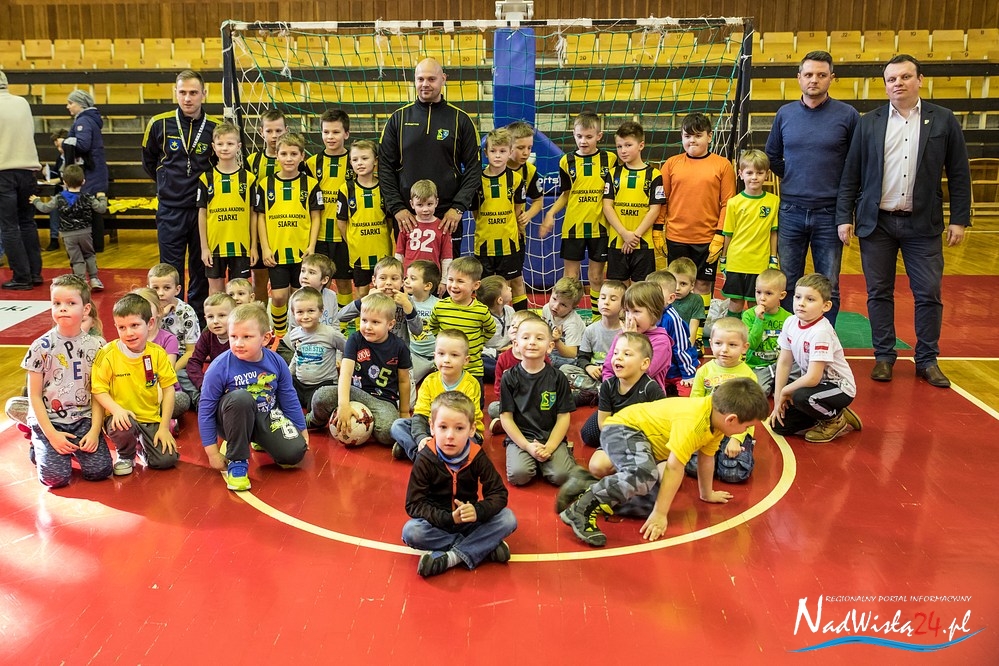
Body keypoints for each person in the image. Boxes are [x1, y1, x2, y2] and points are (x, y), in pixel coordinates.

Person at [836, 54, 972, 389]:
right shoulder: (869, 122)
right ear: (885, 86)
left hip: (922, 224)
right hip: (876, 223)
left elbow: (959, 172)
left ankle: (927, 360)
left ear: (920, 80)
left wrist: (959, 219)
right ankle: (884, 356)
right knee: (878, 292)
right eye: (892, 79)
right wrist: (844, 217)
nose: (898, 83)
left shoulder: (943, 120)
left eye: (905, 77)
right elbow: (851, 174)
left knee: (928, 292)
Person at [559, 378, 769, 547]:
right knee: (644, 476)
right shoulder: (693, 422)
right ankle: (580, 509)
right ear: (731, 419)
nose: (745, 431)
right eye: (747, 427)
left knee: (648, 504)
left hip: (645, 444)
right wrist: (661, 515)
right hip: (623, 429)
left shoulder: (716, 420)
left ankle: (585, 485)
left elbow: (707, 457)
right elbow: (674, 467)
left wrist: (706, 494)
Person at [765, 51, 859, 324]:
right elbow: (772, 156)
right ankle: (789, 338)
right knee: (788, 281)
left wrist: (845, 209)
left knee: (828, 283)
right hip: (791, 211)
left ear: (832, 78)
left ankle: (824, 339)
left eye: (821, 74)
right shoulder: (785, 114)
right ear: (799, 78)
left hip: (830, 213)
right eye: (808, 74)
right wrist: (795, 176)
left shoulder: (848, 115)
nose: (814, 80)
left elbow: (856, 163)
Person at [402, 391, 516, 578]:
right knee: (411, 532)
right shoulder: (425, 459)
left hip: (470, 521)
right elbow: (414, 505)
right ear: (432, 427)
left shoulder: (476, 456)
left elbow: (499, 493)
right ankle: (483, 546)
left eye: (459, 428)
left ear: (472, 430)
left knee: (508, 518)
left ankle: (451, 557)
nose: (450, 436)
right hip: (438, 524)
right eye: (443, 427)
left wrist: (477, 511)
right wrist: (449, 518)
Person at [197, 304, 309, 491]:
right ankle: (238, 462)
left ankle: (259, 439)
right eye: (233, 336)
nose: (238, 343)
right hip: (233, 419)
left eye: (246, 337)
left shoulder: (276, 361)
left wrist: (302, 430)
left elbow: (289, 397)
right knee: (241, 398)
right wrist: (212, 453)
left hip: (265, 415)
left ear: (265, 338)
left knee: (295, 453)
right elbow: (206, 410)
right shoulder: (219, 366)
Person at [380, 58, 481, 259]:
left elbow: (473, 168)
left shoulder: (460, 119)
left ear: (443, 79)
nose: (425, 84)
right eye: (420, 79)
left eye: (431, 79)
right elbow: (384, 168)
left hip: (447, 218)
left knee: (447, 274)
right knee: (409, 274)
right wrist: (398, 208)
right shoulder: (398, 119)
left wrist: (457, 208)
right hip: (408, 217)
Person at [141, 70, 219, 321]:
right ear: (175, 93)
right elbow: (149, 161)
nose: (187, 98)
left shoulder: (215, 128)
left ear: (204, 94)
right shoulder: (158, 123)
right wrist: (167, 183)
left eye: (193, 93)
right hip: (170, 209)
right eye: (183, 92)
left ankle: (195, 318)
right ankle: (170, 318)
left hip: (202, 210)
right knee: (170, 269)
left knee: (200, 266)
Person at [20, 275, 110, 488]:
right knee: (56, 479)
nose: (62, 308)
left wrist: (94, 431)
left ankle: (66, 451)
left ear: (86, 309)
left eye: (70, 303)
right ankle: (38, 442)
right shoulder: (40, 346)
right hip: (50, 421)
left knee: (100, 471)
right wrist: (51, 435)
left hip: (83, 419)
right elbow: (34, 395)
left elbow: (98, 392)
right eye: (56, 303)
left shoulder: (97, 346)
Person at [91, 293, 179, 476]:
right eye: (122, 327)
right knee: (123, 425)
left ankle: (141, 448)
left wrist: (164, 427)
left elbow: (169, 390)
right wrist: (116, 410)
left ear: (150, 323)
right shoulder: (107, 354)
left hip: (149, 417)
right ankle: (125, 455)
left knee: (167, 460)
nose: (129, 333)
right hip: (120, 418)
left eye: (135, 325)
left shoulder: (158, 353)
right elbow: (98, 390)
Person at [540, 111, 618, 318]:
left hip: (600, 228)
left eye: (589, 136)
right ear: (573, 135)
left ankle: (597, 318)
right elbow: (566, 194)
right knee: (570, 278)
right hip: (573, 227)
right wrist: (550, 213)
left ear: (599, 136)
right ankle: (567, 319)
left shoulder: (610, 159)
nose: (583, 141)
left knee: (596, 277)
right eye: (579, 136)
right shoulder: (566, 161)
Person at [769, 273, 863, 443]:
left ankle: (834, 419)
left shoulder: (821, 332)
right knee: (780, 425)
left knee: (801, 396)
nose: (801, 303)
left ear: (826, 306)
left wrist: (785, 391)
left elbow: (813, 377)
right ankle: (833, 411)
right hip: (814, 388)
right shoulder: (790, 322)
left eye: (810, 299)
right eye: (798, 297)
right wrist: (777, 401)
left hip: (838, 387)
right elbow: (784, 362)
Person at [654, 112, 737, 301]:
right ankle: (677, 319)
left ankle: (699, 321)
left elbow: (728, 204)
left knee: (703, 284)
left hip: (707, 238)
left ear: (709, 136)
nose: (692, 140)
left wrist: (720, 235)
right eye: (687, 136)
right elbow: (662, 200)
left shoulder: (723, 166)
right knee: (677, 284)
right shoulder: (671, 164)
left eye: (698, 136)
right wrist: (658, 228)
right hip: (676, 237)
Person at [316, 292, 412, 446]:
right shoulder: (355, 339)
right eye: (364, 320)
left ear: (390, 324)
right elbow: (346, 373)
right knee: (321, 396)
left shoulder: (400, 347)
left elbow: (404, 381)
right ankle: (315, 421)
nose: (368, 326)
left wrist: (404, 412)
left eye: (375, 322)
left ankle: (367, 426)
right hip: (354, 392)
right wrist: (344, 405)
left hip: (382, 400)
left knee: (389, 431)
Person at [254, 132, 323, 337]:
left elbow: (316, 217)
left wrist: (311, 246)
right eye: (284, 154)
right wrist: (265, 248)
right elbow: (261, 217)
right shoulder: (265, 184)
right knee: (278, 297)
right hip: (277, 251)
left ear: (302, 156)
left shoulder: (310, 184)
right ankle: (281, 335)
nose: (289, 158)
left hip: (302, 251)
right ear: (276, 156)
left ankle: (298, 334)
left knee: (299, 296)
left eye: (294, 154)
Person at [500, 314, 576, 486]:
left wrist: (550, 447)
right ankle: (530, 457)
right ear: (516, 344)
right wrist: (527, 446)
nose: (532, 342)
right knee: (519, 475)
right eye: (526, 337)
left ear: (550, 346)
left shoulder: (558, 378)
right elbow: (506, 418)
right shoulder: (509, 378)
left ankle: (555, 456)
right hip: (521, 438)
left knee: (562, 477)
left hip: (550, 436)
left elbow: (563, 417)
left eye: (539, 338)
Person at [390, 329, 484, 462]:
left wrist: (445, 434)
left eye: (454, 355)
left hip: (460, 431)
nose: (446, 360)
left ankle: (424, 455)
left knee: (470, 446)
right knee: (398, 426)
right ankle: (422, 455)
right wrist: (421, 438)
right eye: (441, 354)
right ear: (434, 356)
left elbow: (469, 420)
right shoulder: (429, 381)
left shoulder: (471, 384)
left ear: (466, 360)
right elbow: (420, 415)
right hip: (433, 429)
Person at [684, 317, 758, 483]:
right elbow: (694, 404)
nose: (724, 350)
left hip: (735, 430)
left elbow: (749, 415)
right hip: (707, 428)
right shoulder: (703, 371)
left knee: (733, 474)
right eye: (718, 343)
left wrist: (736, 439)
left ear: (744, 347)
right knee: (694, 468)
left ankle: (740, 449)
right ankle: (716, 456)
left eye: (732, 345)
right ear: (711, 344)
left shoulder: (748, 376)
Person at [197, 121, 257, 296]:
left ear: (238, 146)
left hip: (241, 246)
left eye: (230, 143)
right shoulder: (206, 178)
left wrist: (253, 246)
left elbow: (253, 214)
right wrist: (204, 248)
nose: (225, 148)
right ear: (213, 147)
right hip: (214, 246)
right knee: (216, 292)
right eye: (220, 144)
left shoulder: (249, 179)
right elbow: (202, 214)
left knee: (239, 292)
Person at [579, 331, 664, 454]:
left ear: (644, 363)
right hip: (616, 431)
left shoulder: (650, 388)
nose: (618, 357)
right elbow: (603, 423)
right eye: (615, 353)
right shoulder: (608, 386)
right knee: (588, 436)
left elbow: (662, 423)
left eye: (627, 354)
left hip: (642, 435)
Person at [602, 121, 665, 285]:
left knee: (641, 292)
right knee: (618, 291)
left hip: (643, 244)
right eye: (619, 146)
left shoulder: (654, 175)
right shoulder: (613, 174)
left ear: (641, 145)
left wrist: (635, 236)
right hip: (617, 242)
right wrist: (624, 234)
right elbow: (607, 207)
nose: (623, 150)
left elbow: (655, 210)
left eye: (628, 145)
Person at [719, 149, 780, 318]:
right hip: (736, 260)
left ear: (767, 175)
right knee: (736, 302)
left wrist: (773, 258)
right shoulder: (734, 203)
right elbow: (728, 233)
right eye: (749, 173)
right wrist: (724, 259)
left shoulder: (774, 201)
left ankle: (754, 332)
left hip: (760, 262)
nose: (754, 177)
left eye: (759, 173)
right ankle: (732, 331)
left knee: (756, 302)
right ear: (740, 174)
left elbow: (773, 232)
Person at [305, 109, 354, 318]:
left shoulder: (354, 160)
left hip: (344, 234)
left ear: (346, 134)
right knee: (316, 282)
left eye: (336, 132)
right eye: (326, 132)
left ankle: (345, 324)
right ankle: (317, 321)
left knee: (343, 281)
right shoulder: (311, 163)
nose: (330, 137)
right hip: (319, 234)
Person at [427, 256, 496, 402]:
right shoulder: (440, 306)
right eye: (450, 280)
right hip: (445, 368)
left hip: (472, 368)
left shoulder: (481, 311)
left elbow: (490, 330)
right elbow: (433, 326)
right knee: (442, 403)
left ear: (475, 285)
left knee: (473, 405)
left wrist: (477, 342)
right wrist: (444, 341)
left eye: (460, 281)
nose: (454, 285)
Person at [473, 128, 527, 308]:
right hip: (484, 244)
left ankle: (519, 319)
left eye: (502, 151)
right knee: (485, 287)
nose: (497, 155)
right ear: (486, 152)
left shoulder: (516, 179)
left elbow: (517, 210)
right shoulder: (477, 181)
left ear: (510, 152)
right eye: (493, 151)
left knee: (513, 284)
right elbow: (475, 212)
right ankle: (487, 320)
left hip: (509, 243)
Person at [29, 164, 107, 290]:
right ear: (83, 181)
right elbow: (101, 209)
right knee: (89, 255)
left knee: (76, 259)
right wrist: (102, 197)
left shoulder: (59, 198)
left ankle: (81, 282)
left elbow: (45, 208)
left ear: (64, 182)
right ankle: (94, 279)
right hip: (85, 232)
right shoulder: (87, 197)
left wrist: (36, 200)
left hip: (68, 234)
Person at [0, 69, 43, 290]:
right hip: (28, 171)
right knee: (27, 222)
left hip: (3, 171)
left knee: (9, 226)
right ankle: (35, 273)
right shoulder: (22, 103)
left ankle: (21, 277)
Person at [337, 139, 394, 299]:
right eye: (355, 159)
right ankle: (361, 317)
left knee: (384, 291)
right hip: (358, 253)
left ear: (375, 161)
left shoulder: (384, 187)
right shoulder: (346, 189)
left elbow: (389, 221)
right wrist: (352, 241)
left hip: (381, 250)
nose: (360, 163)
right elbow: (341, 222)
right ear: (350, 163)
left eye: (364, 158)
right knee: (362, 293)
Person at [561, 279, 625, 404]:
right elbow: (582, 358)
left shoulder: (625, 331)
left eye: (613, 299)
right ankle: (600, 391)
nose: (606, 302)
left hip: (615, 374)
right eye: (603, 298)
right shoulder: (590, 330)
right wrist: (588, 367)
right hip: (594, 376)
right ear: (598, 301)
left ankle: (597, 393)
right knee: (564, 370)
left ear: (623, 305)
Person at [601, 281, 673, 391]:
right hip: (618, 395)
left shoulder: (661, 341)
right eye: (627, 311)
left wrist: (631, 339)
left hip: (646, 397)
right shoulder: (622, 336)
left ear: (654, 312)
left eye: (636, 311)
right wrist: (609, 390)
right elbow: (608, 368)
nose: (630, 317)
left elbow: (642, 372)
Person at [63, 89, 110, 252]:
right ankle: (96, 245)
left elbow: (83, 144)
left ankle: (92, 245)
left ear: (80, 104)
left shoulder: (83, 121)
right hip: (95, 170)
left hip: (90, 172)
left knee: (89, 209)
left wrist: (67, 142)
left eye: (71, 103)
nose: (68, 106)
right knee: (93, 209)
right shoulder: (91, 119)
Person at [148, 262, 201, 401]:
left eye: (167, 288)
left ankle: (199, 401)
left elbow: (191, 351)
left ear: (177, 290)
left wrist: (170, 371)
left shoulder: (186, 313)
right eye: (155, 288)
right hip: (152, 359)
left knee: (184, 377)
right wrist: (160, 316)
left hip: (179, 361)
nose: (160, 293)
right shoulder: (145, 310)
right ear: (148, 289)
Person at [287, 287, 347, 410]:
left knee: (319, 403)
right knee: (281, 389)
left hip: (323, 385)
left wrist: (339, 360)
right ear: (293, 313)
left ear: (321, 311)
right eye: (300, 312)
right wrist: (288, 373)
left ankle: (313, 417)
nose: (305, 316)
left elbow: (347, 348)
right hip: (300, 383)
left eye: (311, 311)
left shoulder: (330, 333)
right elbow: (297, 355)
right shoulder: (294, 335)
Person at [505, 121, 543, 311]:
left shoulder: (529, 171)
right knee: (498, 282)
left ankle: (521, 318)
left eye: (529, 148)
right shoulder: (494, 169)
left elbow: (538, 201)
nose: (526, 152)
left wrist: (528, 215)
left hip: (517, 235)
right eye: (521, 148)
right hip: (492, 234)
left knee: (517, 279)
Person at [646, 270, 699, 396]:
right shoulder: (646, 314)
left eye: (657, 294)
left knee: (687, 396)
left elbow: (681, 348)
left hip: (678, 370)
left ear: (670, 298)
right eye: (648, 294)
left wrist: (688, 374)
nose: (651, 298)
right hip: (660, 369)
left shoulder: (672, 318)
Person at [742, 269, 792, 396]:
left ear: (781, 295)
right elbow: (751, 344)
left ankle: (778, 384)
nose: (762, 298)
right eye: (758, 292)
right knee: (758, 392)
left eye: (768, 293)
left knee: (797, 389)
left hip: (781, 366)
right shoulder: (748, 315)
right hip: (758, 366)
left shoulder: (788, 318)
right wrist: (759, 319)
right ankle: (774, 384)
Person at [185, 292, 236, 408]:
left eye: (221, 315)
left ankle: (210, 402)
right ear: (205, 318)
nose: (215, 321)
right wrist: (203, 385)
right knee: (181, 374)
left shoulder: (239, 336)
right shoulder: (207, 336)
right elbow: (194, 362)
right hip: (212, 381)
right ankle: (200, 401)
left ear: (234, 316)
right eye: (210, 317)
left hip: (233, 382)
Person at [394, 179, 452, 279]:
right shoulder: (407, 224)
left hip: (431, 277)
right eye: (420, 205)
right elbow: (399, 254)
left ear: (436, 202)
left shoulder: (443, 227)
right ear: (412, 204)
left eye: (429, 204)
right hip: (409, 277)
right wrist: (398, 276)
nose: (425, 209)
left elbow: (446, 258)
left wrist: (444, 281)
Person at [404, 260, 441, 384]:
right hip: (415, 355)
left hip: (438, 356)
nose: (407, 281)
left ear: (427, 286)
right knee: (406, 382)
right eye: (406, 277)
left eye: (413, 278)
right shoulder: (404, 302)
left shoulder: (438, 305)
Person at [477, 275, 515, 385]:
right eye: (507, 288)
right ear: (500, 300)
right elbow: (477, 347)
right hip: (491, 356)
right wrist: (496, 353)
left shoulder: (510, 311)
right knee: (480, 362)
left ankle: (510, 372)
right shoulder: (481, 318)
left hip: (509, 353)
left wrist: (513, 347)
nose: (510, 288)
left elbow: (517, 334)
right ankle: (508, 374)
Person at [542, 276, 586, 368]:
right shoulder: (547, 308)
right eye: (554, 299)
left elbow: (572, 354)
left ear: (573, 307)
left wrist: (557, 341)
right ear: (552, 292)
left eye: (563, 305)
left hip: (571, 357)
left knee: (548, 359)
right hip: (553, 350)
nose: (555, 306)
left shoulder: (572, 323)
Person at [667, 257, 705, 348]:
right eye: (674, 283)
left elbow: (693, 330)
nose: (677, 288)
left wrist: (688, 349)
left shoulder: (696, 300)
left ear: (692, 285)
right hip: (665, 341)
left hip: (684, 342)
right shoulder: (664, 298)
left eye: (683, 284)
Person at [43, 129, 68, 252]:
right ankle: (54, 238)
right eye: (57, 147)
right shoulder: (60, 158)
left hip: (73, 192)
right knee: (53, 206)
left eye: (61, 146)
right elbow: (57, 173)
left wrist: (57, 180)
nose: (59, 149)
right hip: (61, 192)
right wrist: (47, 173)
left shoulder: (74, 156)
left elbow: (73, 175)